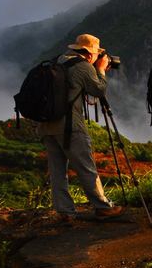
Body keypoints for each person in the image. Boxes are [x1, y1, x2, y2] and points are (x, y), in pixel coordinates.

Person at [37, 34, 124, 222]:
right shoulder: (83, 66)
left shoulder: (59, 60)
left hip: (46, 125)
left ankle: (65, 212)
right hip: (69, 126)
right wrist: (100, 70)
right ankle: (102, 206)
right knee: (86, 165)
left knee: (57, 170)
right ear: (89, 53)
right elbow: (98, 90)